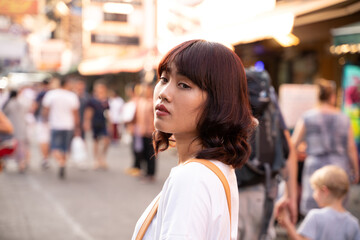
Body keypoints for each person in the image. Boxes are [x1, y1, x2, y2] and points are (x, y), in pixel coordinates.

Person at [131, 39, 255, 239]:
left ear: (218, 103)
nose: (163, 94)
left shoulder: (192, 177)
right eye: (163, 79)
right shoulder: (216, 168)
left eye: (184, 85)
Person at [236, 69, 298, 240]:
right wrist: (290, 196)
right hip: (263, 191)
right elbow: (288, 150)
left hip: (230, 188)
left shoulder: (230, 99)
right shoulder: (270, 106)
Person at [292, 79, 359, 216]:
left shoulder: (308, 117)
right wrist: (356, 171)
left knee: (313, 211)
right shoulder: (344, 118)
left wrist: (303, 150)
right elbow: (351, 148)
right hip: (339, 168)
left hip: (315, 168)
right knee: (336, 210)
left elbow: (293, 145)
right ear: (333, 96)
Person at [277, 165, 360, 240]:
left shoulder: (315, 216)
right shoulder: (353, 223)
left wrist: (288, 225)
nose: (314, 195)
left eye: (315, 190)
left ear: (324, 191)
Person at [42, 77, 80, 179]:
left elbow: (46, 110)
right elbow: (75, 114)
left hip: (55, 125)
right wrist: (77, 127)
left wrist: (45, 121)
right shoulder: (72, 96)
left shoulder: (51, 94)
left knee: (55, 147)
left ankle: (61, 162)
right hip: (68, 125)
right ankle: (63, 162)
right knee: (65, 148)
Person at [83, 81, 110, 170]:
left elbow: (108, 112)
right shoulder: (92, 100)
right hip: (95, 122)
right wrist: (87, 122)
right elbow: (88, 111)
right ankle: (96, 159)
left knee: (106, 140)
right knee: (96, 141)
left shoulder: (106, 100)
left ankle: (102, 157)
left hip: (103, 123)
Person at [3, 90, 29, 172]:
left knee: (7, 145)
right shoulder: (23, 103)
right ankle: (22, 164)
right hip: (22, 127)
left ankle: (4, 163)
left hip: (10, 128)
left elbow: (4, 115)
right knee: (21, 147)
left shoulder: (8, 104)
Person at [32, 78, 51, 169]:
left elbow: (34, 106)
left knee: (43, 139)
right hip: (52, 120)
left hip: (43, 120)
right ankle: (46, 157)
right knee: (48, 140)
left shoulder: (41, 94)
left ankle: (45, 158)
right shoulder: (52, 93)